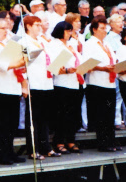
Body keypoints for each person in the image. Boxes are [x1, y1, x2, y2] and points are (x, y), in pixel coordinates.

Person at [0, 18, 27, 165]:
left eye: (7, 28)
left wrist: (21, 51)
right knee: (1, 122)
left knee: (12, 122)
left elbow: (24, 52)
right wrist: (20, 62)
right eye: (3, 28)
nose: (6, 31)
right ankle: (1, 154)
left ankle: (10, 151)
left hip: (12, 86)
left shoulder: (9, 43)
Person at [19, 15, 60, 159]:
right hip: (34, 83)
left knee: (44, 118)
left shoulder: (42, 41)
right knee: (33, 118)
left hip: (46, 83)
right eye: (36, 25)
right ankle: (33, 149)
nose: (39, 27)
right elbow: (22, 63)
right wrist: (24, 84)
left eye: (40, 25)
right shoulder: (23, 41)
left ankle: (45, 146)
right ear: (28, 26)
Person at [84, 16, 119, 152]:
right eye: (102, 28)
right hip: (97, 83)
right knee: (101, 114)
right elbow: (87, 64)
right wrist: (102, 68)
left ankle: (111, 141)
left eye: (106, 28)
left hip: (109, 82)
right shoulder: (90, 44)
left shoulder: (107, 44)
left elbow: (113, 60)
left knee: (110, 114)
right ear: (94, 29)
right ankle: (103, 143)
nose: (105, 31)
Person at [51, 21, 84, 154]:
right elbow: (53, 66)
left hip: (74, 82)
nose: (69, 33)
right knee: (62, 115)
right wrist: (66, 70)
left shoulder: (71, 45)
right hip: (61, 82)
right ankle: (59, 142)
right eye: (67, 30)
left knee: (73, 114)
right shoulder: (54, 44)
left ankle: (71, 141)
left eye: (71, 31)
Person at [105, 14, 125, 130]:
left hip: (124, 69)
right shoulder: (110, 38)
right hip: (116, 69)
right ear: (111, 25)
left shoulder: (121, 36)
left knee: (122, 96)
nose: (121, 24)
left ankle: (123, 120)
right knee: (117, 96)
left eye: (121, 22)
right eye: (118, 22)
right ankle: (116, 120)